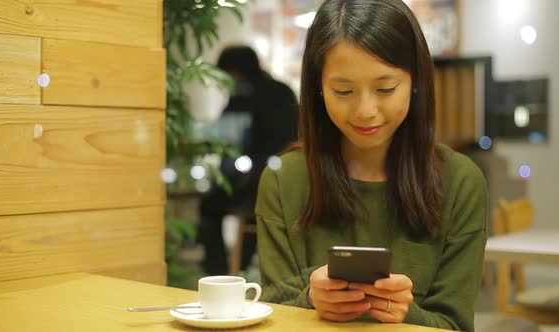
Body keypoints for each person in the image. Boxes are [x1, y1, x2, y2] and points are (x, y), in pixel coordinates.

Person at [254, 1, 487, 331]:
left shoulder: (459, 182)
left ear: (415, 82)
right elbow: (270, 315)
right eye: (343, 90)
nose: (365, 110)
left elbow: (454, 324)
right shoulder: (284, 180)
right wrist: (310, 297)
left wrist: (405, 313)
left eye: (385, 88)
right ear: (318, 89)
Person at [198, 46, 298, 276]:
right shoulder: (282, 91)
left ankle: (220, 274)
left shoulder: (244, 96)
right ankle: (240, 265)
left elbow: (224, 138)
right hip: (285, 181)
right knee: (255, 211)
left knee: (209, 207)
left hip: (253, 182)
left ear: (234, 72)